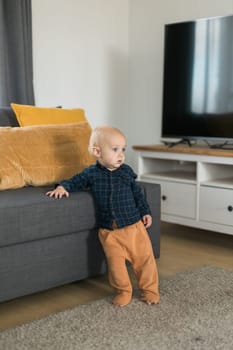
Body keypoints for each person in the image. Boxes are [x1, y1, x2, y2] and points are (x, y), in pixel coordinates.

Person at [46, 126, 160, 307]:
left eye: (123, 149)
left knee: (145, 260)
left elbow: (138, 194)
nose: (121, 154)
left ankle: (149, 290)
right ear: (97, 151)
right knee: (116, 267)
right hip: (109, 232)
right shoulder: (91, 174)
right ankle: (124, 291)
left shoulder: (126, 172)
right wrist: (62, 187)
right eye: (115, 149)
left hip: (134, 228)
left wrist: (145, 211)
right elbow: (75, 181)